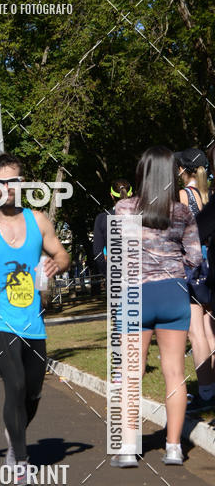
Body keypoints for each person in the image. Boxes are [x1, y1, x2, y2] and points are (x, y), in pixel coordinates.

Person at [0, 152, 70, 483]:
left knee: (33, 391)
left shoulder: (38, 222)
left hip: (33, 320)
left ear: (24, 184)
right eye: (0, 182)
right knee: (15, 383)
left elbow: (62, 253)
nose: (7, 188)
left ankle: (14, 434)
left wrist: (55, 264)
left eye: (13, 181)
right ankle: (21, 461)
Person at [115, 146, 202, 465]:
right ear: (170, 174)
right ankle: (174, 447)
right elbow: (194, 256)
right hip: (172, 294)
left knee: (131, 373)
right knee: (175, 374)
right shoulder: (181, 212)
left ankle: (127, 448)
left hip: (136, 295)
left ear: (142, 172)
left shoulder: (123, 208)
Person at [175, 147, 215, 411]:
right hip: (211, 265)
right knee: (211, 330)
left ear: (183, 170)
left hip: (191, 268)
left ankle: (206, 392)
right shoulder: (208, 194)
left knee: (196, 331)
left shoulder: (182, 195)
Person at [92, 179, 132, 276]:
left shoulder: (102, 219)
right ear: (131, 194)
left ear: (111, 195)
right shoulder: (144, 216)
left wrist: (109, 274)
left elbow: (98, 254)